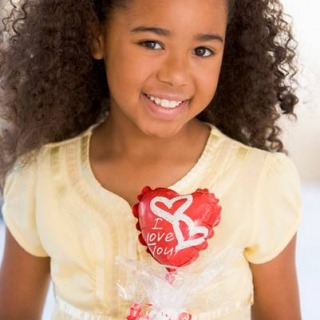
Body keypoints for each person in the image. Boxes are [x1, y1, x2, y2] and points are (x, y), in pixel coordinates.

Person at [0, 0, 302, 319]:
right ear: (97, 36)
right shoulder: (40, 180)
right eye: (151, 43)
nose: (176, 75)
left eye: (202, 51)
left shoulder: (258, 182)